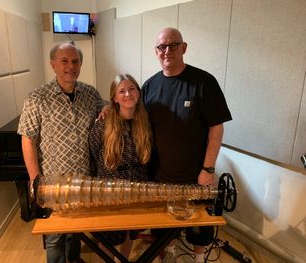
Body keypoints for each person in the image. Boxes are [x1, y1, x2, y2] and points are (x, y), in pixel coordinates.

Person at [142, 27, 232, 263]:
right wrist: (110, 107)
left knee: (199, 229)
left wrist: (208, 169)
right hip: (159, 176)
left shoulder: (204, 82)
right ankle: (169, 252)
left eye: (173, 45)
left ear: (184, 48)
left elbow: (216, 128)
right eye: (162, 46)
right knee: (163, 227)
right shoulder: (149, 86)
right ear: (156, 51)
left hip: (195, 175)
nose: (167, 51)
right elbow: (132, 118)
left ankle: (199, 259)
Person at [18, 41, 103, 263]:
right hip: (52, 181)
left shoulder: (92, 94)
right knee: (55, 236)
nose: (70, 66)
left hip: (83, 179)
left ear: (81, 65)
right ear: (53, 64)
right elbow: (28, 139)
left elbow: (104, 120)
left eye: (75, 61)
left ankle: (73, 260)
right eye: (64, 61)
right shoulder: (37, 98)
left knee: (75, 229)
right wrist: (35, 179)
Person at [89, 74, 152, 262]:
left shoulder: (145, 121)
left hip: (138, 187)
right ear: (115, 98)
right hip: (110, 191)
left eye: (132, 89)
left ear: (138, 93)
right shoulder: (103, 125)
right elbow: (93, 152)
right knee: (109, 236)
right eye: (121, 91)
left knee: (130, 233)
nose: (127, 94)